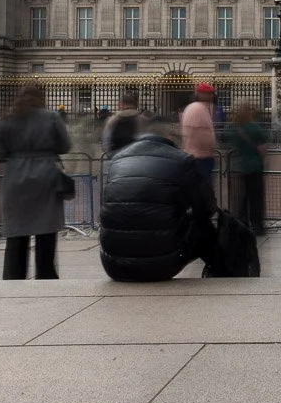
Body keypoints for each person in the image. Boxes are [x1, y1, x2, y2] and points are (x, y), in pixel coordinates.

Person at [99, 130, 220, 280]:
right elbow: (207, 207)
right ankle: (221, 272)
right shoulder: (182, 160)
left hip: (114, 266)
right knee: (205, 226)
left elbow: (107, 205)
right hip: (162, 265)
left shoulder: (117, 159)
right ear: (170, 139)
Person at [0, 83, 72, 279]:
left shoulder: (7, 119)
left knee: (16, 233)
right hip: (45, 176)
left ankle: (13, 277)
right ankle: (45, 276)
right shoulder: (52, 117)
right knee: (46, 232)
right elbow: (65, 145)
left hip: (15, 178)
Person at [224, 103, 270, 235]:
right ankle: (257, 226)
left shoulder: (236, 128)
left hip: (239, 167)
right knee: (256, 198)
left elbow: (229, 143)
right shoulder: (255, 128)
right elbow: (262, 148)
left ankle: (242, 224)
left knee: (242, 199)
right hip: (254, 167)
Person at [179, 84, 219, 188]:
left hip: (196, 156)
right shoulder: (199, 109)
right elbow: (203, 135)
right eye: (209, 93)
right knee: (203, 192)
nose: (212, 95)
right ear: (201, 94)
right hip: (200, 157)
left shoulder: (194, 107)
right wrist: (212, 147)